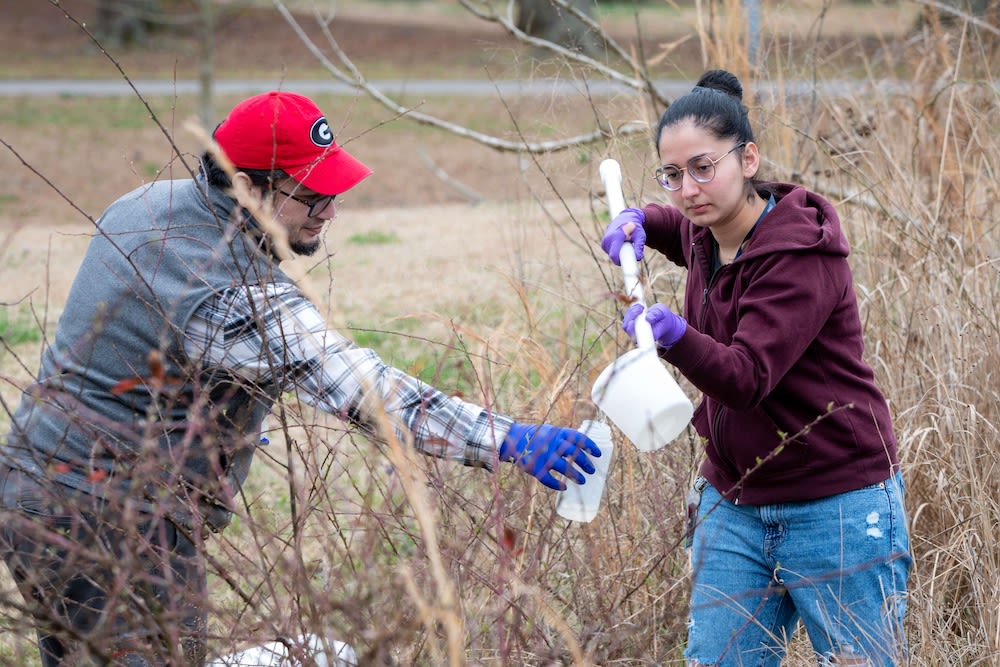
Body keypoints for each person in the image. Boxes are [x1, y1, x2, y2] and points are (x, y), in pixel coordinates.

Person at [0, 90, 601, 666]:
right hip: (112, 521)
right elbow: (366, 391)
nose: (331, 211)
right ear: (246, 186)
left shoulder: (145, 203)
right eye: (314, 195)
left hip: (31, 485)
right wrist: (506, 440)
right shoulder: (231, 292)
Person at [600, 70, 911, 665]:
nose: (688, 190)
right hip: (733, 503)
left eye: (703, 167)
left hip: (837, 505)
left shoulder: (800, 255)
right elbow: (681, 229)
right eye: (671, 175)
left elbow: (745, 379)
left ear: (748, 159)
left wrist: (674, 335)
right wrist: (640, 220)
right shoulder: (706, 229)